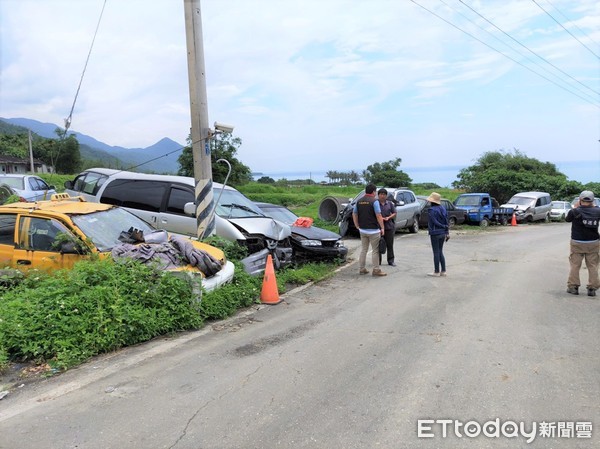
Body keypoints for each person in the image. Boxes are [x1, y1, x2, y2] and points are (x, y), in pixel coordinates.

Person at [565, 190, 600, 297]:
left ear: (580, 200)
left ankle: (573, 287)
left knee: (575, 265)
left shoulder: (574, 211)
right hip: (593, 242)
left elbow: (567, 219)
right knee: (593, 266)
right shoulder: (598, 211)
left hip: (577, 242)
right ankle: (592, 289)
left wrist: (575, 208)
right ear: (592, 201)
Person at [352, 183, 387, 277]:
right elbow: (378, 215)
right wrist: (382, 227)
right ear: (373, 192)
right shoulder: (374, 201)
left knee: (364, 250)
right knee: (375, 250)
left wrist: (356, 225)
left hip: (362, 230)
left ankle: (362, 269)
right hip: (374, 231)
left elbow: (354, 214)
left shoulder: (359, 201)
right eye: (375, 191)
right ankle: (376, 270)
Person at [426, 192, 449, 277]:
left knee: (436, 252)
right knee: (440, 251)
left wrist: (442, 226)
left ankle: (436, 271)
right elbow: (446, 220)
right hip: (443, 232)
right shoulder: (443, 208)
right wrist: (446, 230)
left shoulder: (431, 210)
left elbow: (434, 221)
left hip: (435, 233)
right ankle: (443, 271)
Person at [377, 188, 397, 266]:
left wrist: (389, 217)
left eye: (384, 194)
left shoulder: (389, 203)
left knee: (390, 244)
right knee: (378, 245)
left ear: (386, 195)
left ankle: (391, 260)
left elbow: (394, 212)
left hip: (389, 227)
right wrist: (380, 218)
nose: (382, 196)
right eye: (381, 194)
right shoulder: (375, 203)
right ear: (378, 195)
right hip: (378, 227)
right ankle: (378, 261)